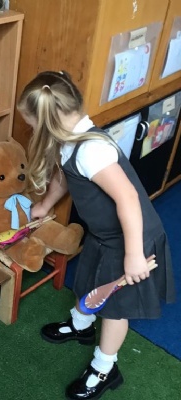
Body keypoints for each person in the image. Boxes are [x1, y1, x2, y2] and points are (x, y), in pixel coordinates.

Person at [17, 70, 176, 400]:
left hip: (131, 238)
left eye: (32, 124)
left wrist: (133, 254)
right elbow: (64, 176)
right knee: (89, 278)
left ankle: (105, 368)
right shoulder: (69, 139)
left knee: (114, 307)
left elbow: (128, 197)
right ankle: (81, 325)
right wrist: (44, 205)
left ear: (48, 121)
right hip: (105, 235)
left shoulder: (92, 150)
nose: (31, 130)